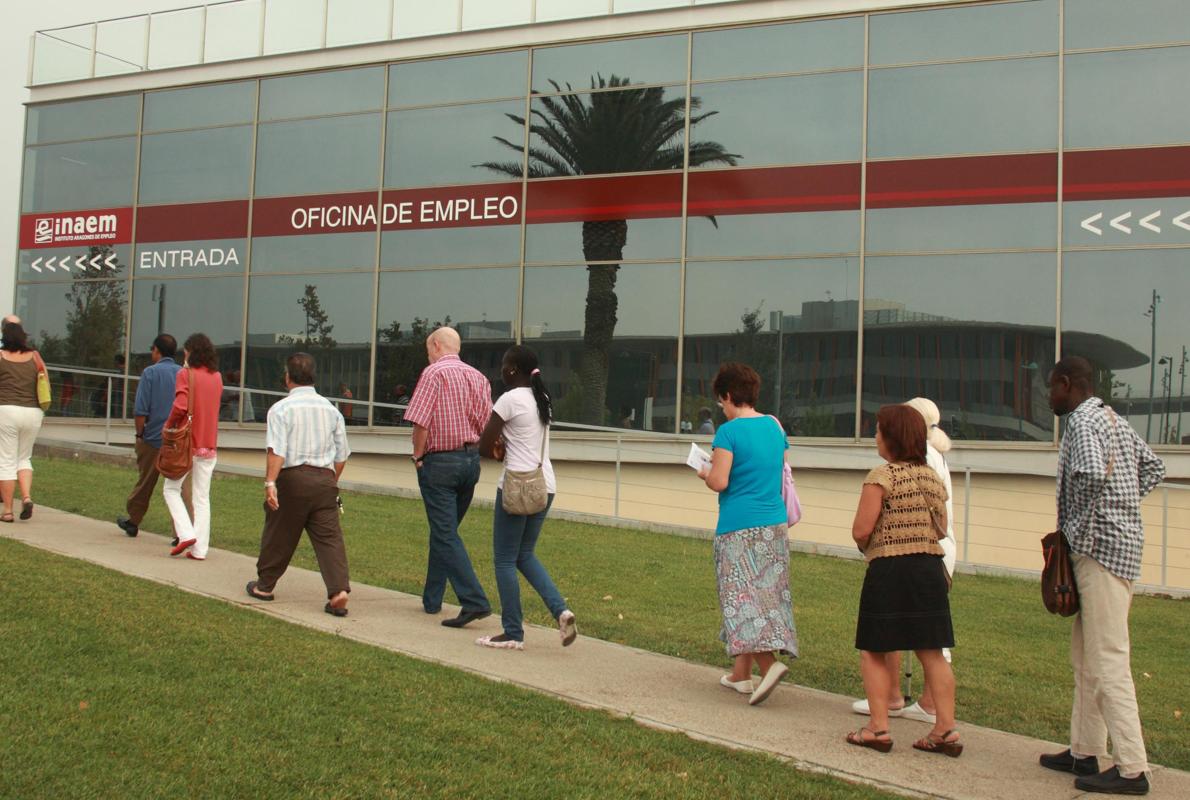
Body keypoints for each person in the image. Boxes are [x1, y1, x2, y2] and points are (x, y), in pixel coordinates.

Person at [1040, 356, 1163, 795]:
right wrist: (1123, 505)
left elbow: (1089, 474)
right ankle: (1084, 750)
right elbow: (1153, 468)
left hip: (1099, 552)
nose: (1048, 395)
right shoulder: (1114, 420)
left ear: (1067, 385)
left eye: (1051, 387)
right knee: (1086, 657)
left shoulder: (1080, 422)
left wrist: (1076, 527)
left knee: (1108, 658)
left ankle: (1132, 769)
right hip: (1115, 548)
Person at [848, 404, 961, 757]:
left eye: (879, 430)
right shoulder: (932, 477)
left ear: (891, 437)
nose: (875, 436)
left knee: (875, 649)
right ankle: (945, 729)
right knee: (933, 652)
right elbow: (941, 526)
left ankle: (878, 728)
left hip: (889, 570)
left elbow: (861, 529)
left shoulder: (881, 476)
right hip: (929, 570)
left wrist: (872, 542)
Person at [697, 362, 796, 707]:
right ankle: (741, 674)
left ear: (727, 395)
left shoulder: (728, 432)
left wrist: (704, 472)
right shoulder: (774, 426)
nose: (721, 407)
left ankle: (769, 666)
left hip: (738, 527)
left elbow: (720, 481)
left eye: (721, 401)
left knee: (741, 597)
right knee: (765, 595)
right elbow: (776, 469)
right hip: (774, 525)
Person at [476, 345, 576, 650]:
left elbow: (484, 444)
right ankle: (561, 611)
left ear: (512, 370)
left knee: (505, 559)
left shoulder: (509, 399)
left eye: (504, 365)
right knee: (524, 555)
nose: (501, 371)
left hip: (517, 486)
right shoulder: (542, 397)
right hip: (545, 485)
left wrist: (497, 451)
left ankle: (512, 632)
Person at [245, 353, 351, 617]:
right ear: (313, 377)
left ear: (287, 377)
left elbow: (277, 450)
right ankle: (338, 591)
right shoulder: (331, 409)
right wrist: (330, 481)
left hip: (292, 478)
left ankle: (264, 586)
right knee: (330, 539)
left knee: (279, 532)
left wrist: (270, 482)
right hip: (325, 480)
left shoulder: (281, 409)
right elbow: (342, 454)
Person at [406, 327, 493, 628]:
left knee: (445, 533)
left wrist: (417, 457)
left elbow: (420, 421)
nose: (427, 354)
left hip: (440, 462)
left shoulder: (433, 374)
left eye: (428, 348)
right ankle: (432, 599)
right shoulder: (478, 377)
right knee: (445, 530)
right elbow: (487, 423)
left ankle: (474, 601)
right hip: (470, 460)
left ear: (437, 345)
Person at [116, 334, 192, 540]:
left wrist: (140, 434)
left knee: (145, 481)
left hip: (153, 437)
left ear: (157, 351)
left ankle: (134, 520)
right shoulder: (183, 374)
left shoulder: (150, 373)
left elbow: (141, 410)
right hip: (178, 440)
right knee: (178, 487)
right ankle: (181, 532)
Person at [163, 333, 223, 561]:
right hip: (209, 444)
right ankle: (200, 549)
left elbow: (180, 406)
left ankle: (186, 533)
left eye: (186, 352)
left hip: (186, 444)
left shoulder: (185, 374)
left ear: (191, 352)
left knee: (170, 488)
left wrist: (168, 427)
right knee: (202, 497)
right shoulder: (216, 377)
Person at [0, 321, 46, 523]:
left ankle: (8, 511)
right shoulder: (35, 356)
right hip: (33, 412)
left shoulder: (1, 356)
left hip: (7, 410)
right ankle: (26, 497)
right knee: (24, 458)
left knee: (6, 461)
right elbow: (44, 380)